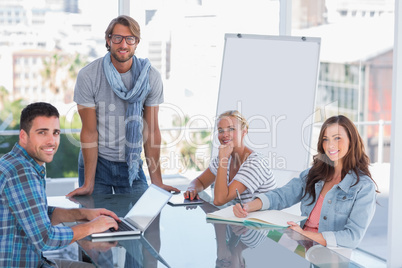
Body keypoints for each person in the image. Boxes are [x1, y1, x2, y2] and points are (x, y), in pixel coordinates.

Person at [67, 15, 179, 197]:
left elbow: (151, 131)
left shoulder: (150, 77)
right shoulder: (88, 75)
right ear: (108, 39)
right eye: (117, 38)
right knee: (96, 222)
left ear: (137, 42)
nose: (123, 45)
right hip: (97, 163)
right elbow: (89, 131)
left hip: (132, 163)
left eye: (130, 39)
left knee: (144, 221)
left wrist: (157, 182)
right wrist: (88, 183)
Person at [0, 102, 121, 267]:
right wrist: (92, 227)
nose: (51, 141)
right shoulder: (22, 172)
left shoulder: (16, 162)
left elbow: (38, 216)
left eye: (55, 133)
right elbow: (46, 239)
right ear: (23, 136)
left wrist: (83, 214)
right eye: (42, 132)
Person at [233, 115, 378, 249]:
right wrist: (248, 206)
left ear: (351, 141)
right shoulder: (314, 174)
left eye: (337, 138)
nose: (330, 145)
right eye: (326, 139)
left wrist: (303, 234)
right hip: (301, 249)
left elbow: (352, 237)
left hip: (328, 257)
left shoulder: (364, 187)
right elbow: (282, 195)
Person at [184, 110, 277, 206]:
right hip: (239, 216)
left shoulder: (255, 163)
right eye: (221, 130)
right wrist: (192, 188)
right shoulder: (225, 157)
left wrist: (223, 160)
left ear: (244, 131)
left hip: (260, 219)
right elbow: (200, 182)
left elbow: (219, 200)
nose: (225, 135)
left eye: (231, 129)